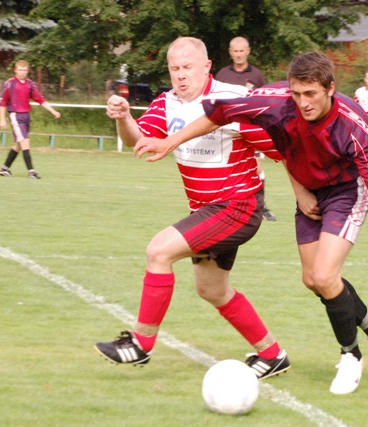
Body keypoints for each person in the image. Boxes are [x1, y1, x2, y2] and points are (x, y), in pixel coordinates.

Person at [133, 51, 368, 395]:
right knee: (312, 280)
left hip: (347, 192)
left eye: (312, 94)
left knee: (324, 275)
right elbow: (220, 113)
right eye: (297, 93)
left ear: (331, 88)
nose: (303, 103)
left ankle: (351, 356)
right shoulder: (277, 101)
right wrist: (170, 141)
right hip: (311, 190)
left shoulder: (354, 125)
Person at [95, 37, 290, 380]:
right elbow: (137, 140)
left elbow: (280, 145)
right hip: (208, 210)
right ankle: (273, 355)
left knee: (158, 251)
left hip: (237, 206)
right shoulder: (166, 103)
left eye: (188, 68)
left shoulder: (232, 99)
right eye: (175, 69)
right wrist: (123, 117)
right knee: (211, 289)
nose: (181, 76)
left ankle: (140, 344)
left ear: (206, 67)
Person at [215, 36, 276, 221]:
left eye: (242, 51)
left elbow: (262, 102)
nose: (239, 54)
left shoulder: (257, 75)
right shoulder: (222, 75)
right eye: (236, 51)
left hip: (250, 130)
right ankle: (221, 206)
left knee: (256, 168)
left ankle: (261, 207)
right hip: (226, 131)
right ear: (230, 53)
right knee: (223, 169)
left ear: (248, 51)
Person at [0, 59, 61, 179]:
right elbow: (3, 103)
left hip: (26, 116)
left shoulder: (30, 84)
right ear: (15, 70)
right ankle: (32, 171)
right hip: (16, 116)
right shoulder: (10, 83)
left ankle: (4, 169)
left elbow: (40, 99)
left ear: (27, 71)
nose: (22, 72)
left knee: (19, 145)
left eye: (24, 70)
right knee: (25, 142)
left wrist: (53, 110)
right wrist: (2, 119)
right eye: (20, 70)